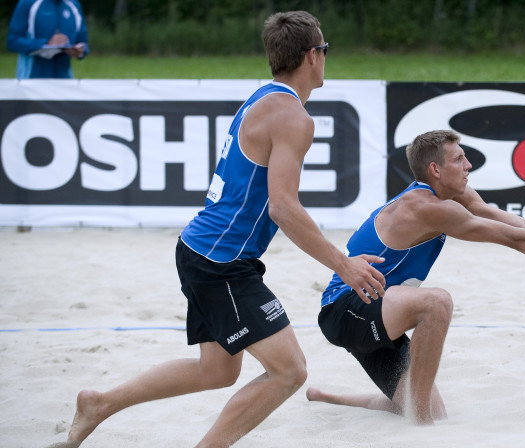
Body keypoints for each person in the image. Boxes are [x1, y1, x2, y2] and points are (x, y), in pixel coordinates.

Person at [52, 11, 385, 448]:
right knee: (290, 371)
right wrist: (343, 265)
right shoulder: (292, 117)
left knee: (217, 371)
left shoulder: (264, 98)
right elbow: (283, 208)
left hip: (201, 248)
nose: (325, 57)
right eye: (326, 49)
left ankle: (100, 403)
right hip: (220, 262)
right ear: (312, 57)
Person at [307, 129, 525, 425]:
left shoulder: (454, 196)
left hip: (382, 312)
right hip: (345, 310)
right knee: (436, 303)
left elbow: (520, 225)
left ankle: (334, 398)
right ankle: (421, 427)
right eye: (459, 159)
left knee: (434, 409)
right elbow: (513, 239)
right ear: (435, 170)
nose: (469, 164)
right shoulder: (424, 207)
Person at [7, 0, 90, 79]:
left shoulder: (74, 5)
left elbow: (83, 43)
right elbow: (13, 42)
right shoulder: (28, 3)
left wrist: (79, 51)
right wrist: (46, 44)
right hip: (32, 81)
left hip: (64, 81)